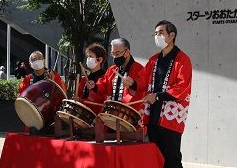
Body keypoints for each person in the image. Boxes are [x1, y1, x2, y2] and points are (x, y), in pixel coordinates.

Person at [123, 20, 192, 168]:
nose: (157, 36)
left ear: (171, 35)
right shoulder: (154, 60)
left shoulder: (182, 60)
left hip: (170, 117)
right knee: (156, 156)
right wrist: (132, 83)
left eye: (160, 33)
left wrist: (158, 96)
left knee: (171, 157)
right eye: (155, 34)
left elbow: (182, 86)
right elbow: (142, 80)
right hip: (153, 114)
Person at [86, 38, 145, 125]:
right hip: (112, 114)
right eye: (113, 54)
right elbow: (103, 86)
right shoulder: (112, 70)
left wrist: (133, 84)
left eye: (117, 53)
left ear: (127, 52)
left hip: (128, 116)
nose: (115, 57)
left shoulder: (139, 69)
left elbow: (141, 90)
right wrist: (94, 86)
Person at [73, 43, 107, 115]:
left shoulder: (104, 78)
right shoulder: (84, 80)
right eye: (88, 57)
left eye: (91, 57)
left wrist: (81, 101)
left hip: (96, 116)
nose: (88, 59)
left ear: (100, 60)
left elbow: (98, 101)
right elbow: (78, 95)